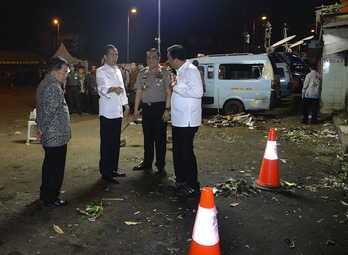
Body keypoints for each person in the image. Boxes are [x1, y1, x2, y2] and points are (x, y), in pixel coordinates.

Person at [166, 45, 203, 197]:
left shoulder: (191, 71)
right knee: (178, 152)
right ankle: (181, 180)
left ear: (175, 59)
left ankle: (193, 185)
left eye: (169, 58)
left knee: (186, 152)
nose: (168, 61)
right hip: (178, 120)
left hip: (187, 121)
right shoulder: (180, 72)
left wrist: (176, 88)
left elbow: (198, 92)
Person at [35, 56, 71, 207]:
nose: (66, 75)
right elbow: (49, 111)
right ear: (55, 71)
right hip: (55, 135)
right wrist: (41, 127)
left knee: (48, 164)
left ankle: (45, 193)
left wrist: (39, 126)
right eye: (64, 72)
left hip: (50, 134)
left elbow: (41, 109)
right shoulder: (53, 87)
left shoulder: (44, 83)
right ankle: (52, 197)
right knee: (55, 168)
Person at [132, 48, 172, 176]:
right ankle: (147, 163)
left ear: (159, 58)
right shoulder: (143, 73)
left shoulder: (165, 73)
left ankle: (160, 166)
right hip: (147, 109)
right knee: (147, 138)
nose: (150, 60)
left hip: (160, 108)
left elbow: (168, 92)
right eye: (148, 57)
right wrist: (135, 109)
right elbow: (139, 92)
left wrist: (167, 110)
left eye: (153, 57)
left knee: (160, 139)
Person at [96, 44, 130, 184]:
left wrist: (126, 105)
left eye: (116, 54)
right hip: (106, 111)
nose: (115, 57)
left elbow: (122, 89)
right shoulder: (101, 71)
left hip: (117, 111)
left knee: (116, 141)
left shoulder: (117, 70)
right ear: (105, 57)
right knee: (107, 142)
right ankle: (106, 172)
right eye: (112, 54)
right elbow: (101, 88)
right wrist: (112, 89)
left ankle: (114, 169)